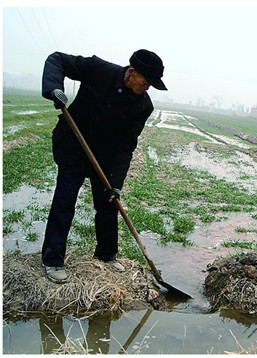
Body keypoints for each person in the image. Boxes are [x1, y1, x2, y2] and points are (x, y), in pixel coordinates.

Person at [41, 49, 168, 283]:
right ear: (132, 72)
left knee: (108, 203)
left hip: (105, 154)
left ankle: (107, 255)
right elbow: (57, 59)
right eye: (146, 80)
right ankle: (52, 260)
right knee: (65, 200)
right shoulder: (98, 69)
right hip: (73, 143)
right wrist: (54, 88)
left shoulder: (143, 106)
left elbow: (126, 146)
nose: (148, 86)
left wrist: (116, 184)